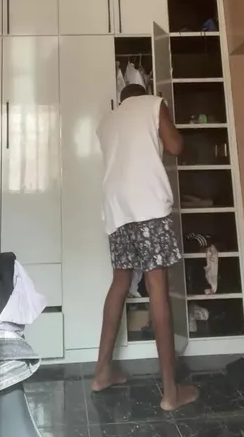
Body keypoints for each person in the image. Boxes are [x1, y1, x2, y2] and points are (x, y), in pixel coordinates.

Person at [92, 83, 199, 411]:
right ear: (144, 93)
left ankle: (102, 372)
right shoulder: (154, 103)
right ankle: (170, 393)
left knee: (119, 283)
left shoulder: (107, 122)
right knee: (157, 290)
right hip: (148, 207)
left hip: (117, 210)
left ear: (123, 99)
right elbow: (175, 145)